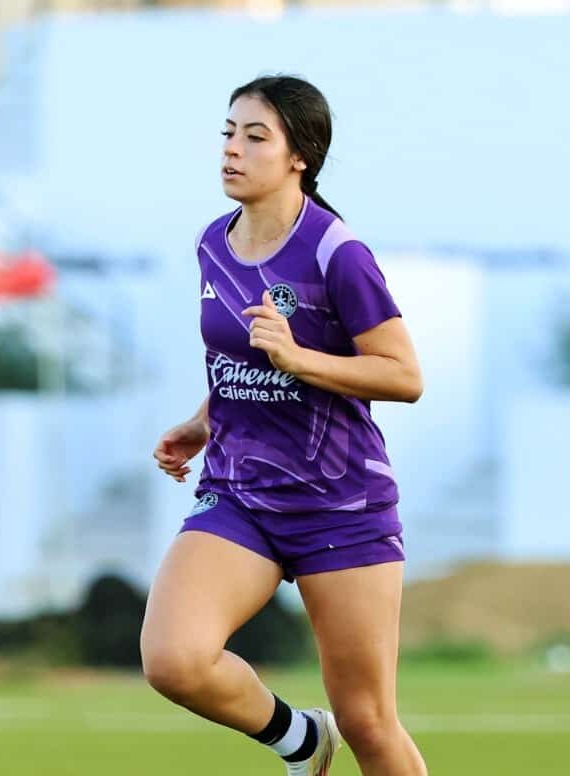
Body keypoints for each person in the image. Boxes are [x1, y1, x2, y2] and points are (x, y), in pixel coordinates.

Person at [142, 75, 428, 776]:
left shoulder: (337, 254)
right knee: (174, 659)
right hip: (241, 494)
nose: (231, 150)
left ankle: (334, 737)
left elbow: (403, 375)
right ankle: (301, 742)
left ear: (299, 155)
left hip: (340, 503)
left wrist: (300, 358)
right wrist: (202, 421)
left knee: (368, 720)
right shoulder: (214, 243)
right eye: (228, 133)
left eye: (254, 136)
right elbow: (238, 358)